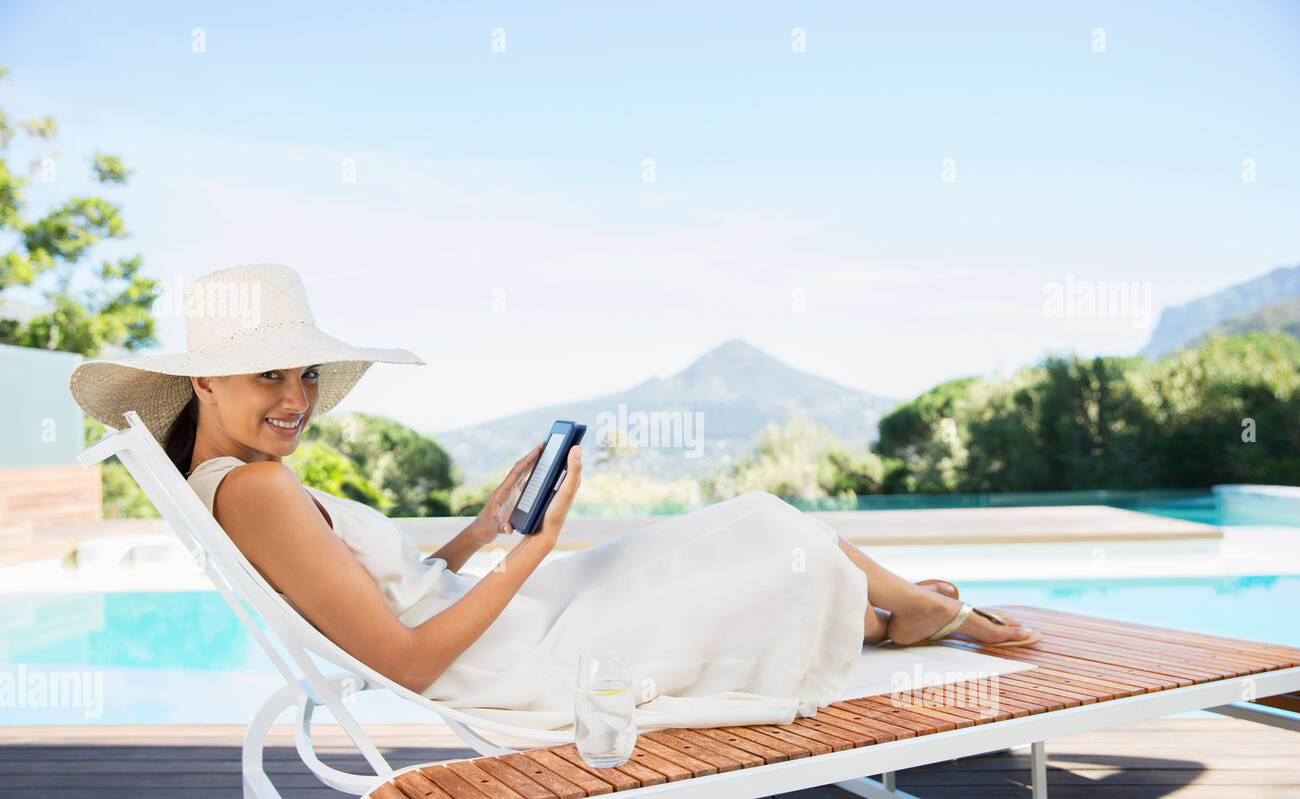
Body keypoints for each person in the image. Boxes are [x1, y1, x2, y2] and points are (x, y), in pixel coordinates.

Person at [70, 264, 1041, 734]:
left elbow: (377, 608)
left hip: (500, 620)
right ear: (204, 381)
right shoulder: (255, 491)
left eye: (307, 376)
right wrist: (536, 551)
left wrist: (488, 530)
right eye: (267, 378)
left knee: (756, 521)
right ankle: (908, 610)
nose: (295, 400)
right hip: (514, 658)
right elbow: (406, 658)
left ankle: (899, 607)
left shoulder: (236, 485)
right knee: (769, 528)